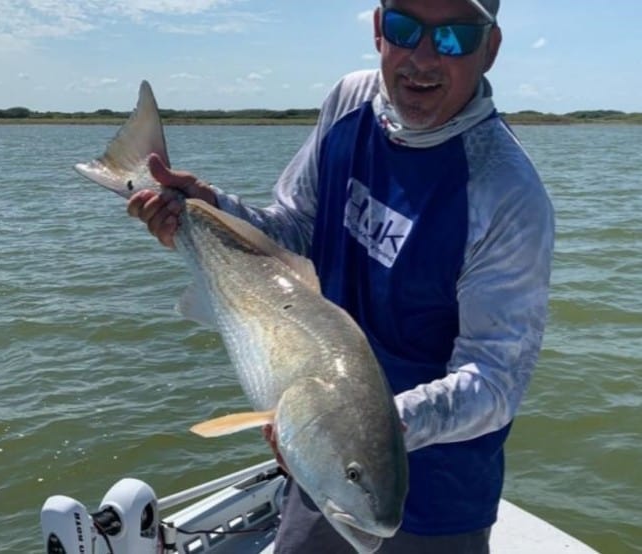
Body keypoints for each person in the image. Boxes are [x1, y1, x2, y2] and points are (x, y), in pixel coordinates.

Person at [128, 0, 554, 552]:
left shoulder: (507, 194)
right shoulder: (351, 101)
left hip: (433, 495)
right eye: (404, 28)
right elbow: (297, 227)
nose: (422, 58)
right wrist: (211, 206)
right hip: (323, 456)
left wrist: (368, 426)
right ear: (379, 31)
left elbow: (494, 377)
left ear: (490, 48)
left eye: (454, 37)